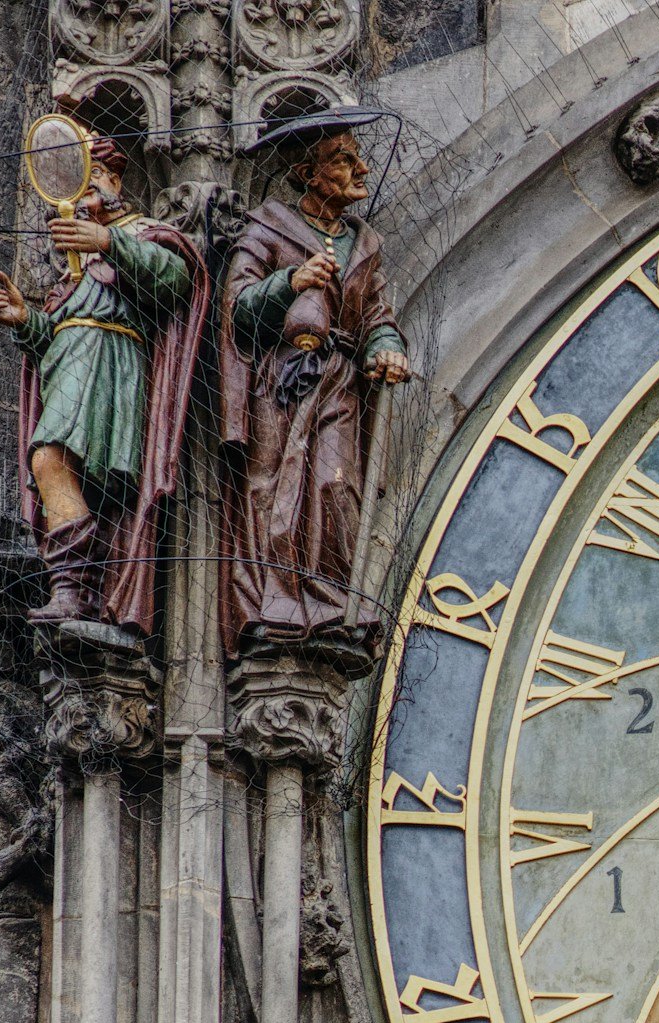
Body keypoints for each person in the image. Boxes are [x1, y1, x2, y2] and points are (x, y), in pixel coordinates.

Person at [0, 129, 208, 634]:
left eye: (92, 178)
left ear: (115, 179)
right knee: (55, 467)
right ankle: (74, 590)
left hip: (111, 367)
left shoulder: (142, 234)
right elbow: (60, 333)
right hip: (71, 366)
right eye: (75, 185)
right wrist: (25, 321)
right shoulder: (74, 266)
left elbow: (177, 281)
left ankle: (72, 588)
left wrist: (108, 241)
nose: (83, 194)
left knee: (49, 459)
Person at [220, 107, 413, 656]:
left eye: (357, 157)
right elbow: (235, 308)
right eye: (343, 160)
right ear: (307, 174)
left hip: (338, 382)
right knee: (272, 488)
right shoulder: (269, 227)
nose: (362, 170)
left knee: (334, 485)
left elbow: (375, 314)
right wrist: (288, 282)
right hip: (280, 380)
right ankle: (271, 604)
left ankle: (329, 604)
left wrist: (387, 349)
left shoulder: (362, 241)